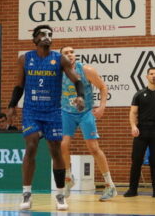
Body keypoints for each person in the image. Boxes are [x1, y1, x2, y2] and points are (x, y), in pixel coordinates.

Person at [6, 25, 86, 211]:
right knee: (31, 144)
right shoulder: (25, 59)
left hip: (53, 111)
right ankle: (27, 193)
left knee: (56, 150)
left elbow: (77, 81)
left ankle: (59, 194)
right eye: (42, 34)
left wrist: (80, 96)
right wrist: (11, 106)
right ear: (34, 39)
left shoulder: (60, 60)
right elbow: (19, 86)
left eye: (50, 35)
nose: (46, 37)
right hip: (32, 110)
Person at [59, 46, 117, 202]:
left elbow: (103, 87)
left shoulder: (86, 70)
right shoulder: (59, 73)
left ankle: (110, 185)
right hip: (66, 112)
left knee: (93, 148)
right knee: (63, 145)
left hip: (85, 112)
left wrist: (102, 106)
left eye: (72, 52)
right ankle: (69, 178)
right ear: (61, 57)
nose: (70, 55)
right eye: (66, 53)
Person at [125, 67, 155, 198]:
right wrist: (133, 126)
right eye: (151, 74)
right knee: (136, 160)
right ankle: (132, 189)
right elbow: (133, 112)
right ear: (146, 76)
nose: (154, 76)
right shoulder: (139, 94)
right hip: (141, 131)